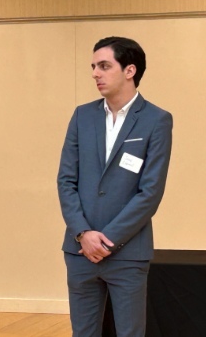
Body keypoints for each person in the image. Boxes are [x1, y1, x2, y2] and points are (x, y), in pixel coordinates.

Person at [57, 36, 173, 336]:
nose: (95, 73)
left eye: (104, 66)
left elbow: (150, 192)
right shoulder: (82, 116)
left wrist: (106, 240)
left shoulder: (156, 120)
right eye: (94, 66)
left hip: (127, 253)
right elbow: (66, 180)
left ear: (130, 70)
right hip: (80, 251)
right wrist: (83, 234)